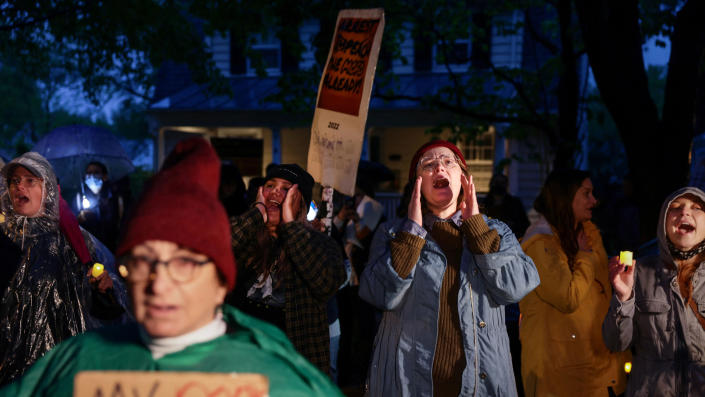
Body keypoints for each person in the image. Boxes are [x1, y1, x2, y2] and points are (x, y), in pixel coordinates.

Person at [0, 138, 342, 397]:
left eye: (183, 264)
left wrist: (291, 226)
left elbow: (325, 276)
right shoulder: (75, 363)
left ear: (220, 281)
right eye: (141, 263)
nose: (158, 284)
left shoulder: (283, 379)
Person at [359, 140, 540, 396]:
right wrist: (411, 234)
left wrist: (477, 229)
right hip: (408, 384)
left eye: (448, 162)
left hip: (481, 384)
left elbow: (516, 288)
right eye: (429, 165)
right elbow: (379, 295)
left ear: (464, 179)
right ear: (417, 183)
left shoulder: (497, 231)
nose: (439, 168)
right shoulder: (392, 233)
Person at [0, 152, 123, 385]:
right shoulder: (6, 238)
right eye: (15, 181)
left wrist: (103, 288)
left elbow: (107, 309)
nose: (19, 187)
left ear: (47, 189)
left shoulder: (76, 242)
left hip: (61, 365)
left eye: (30, 181)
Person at [519, 169, 630, 397]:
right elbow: (567, 298)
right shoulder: (540, 244)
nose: (594, 200)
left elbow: (598, 297)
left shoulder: (588, 234)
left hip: (598, 367)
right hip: (560, 376)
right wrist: (586, 258)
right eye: (586, 193)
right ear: (565, 197)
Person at [227, 163, 346, 375]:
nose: (274, 191)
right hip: (246, 352)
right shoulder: (249, 237)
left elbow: (326, 283)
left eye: (286, 189)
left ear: (300, 201)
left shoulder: (318, 243)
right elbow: (218, 244)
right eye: (270, 185)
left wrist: (291, 225)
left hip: (294, 357)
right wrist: (258, 212)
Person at [603, 187, 705, 395]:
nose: (684, 213)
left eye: (696, 208)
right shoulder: (637, 271)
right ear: (663, 222)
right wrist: (623, 298)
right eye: (675, 208)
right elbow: (615, 343)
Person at [71, 161, 123, 251]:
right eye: (89, 173)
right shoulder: (79, 198)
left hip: (109, 247)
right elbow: (72, 225)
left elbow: (118, 224)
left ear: (105, 176)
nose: (91, 176)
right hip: (88, 248)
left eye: (96, 172)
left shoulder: (113, 197)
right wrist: (79, 220)